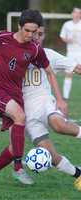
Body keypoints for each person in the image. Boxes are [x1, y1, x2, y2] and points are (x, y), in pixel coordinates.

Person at [0, 9, 66, 189]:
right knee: (20, 118)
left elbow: (49, 72)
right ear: (19, 26)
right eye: (27, 30)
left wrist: (60, 99)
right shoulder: (3, 37)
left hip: (16, 94)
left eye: (34, 32)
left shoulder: (35, 49)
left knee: (14, 145)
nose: (30, 35)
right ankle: (18, 168)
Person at [23, 26, 81, 191]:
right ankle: (79, 174)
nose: (37, 37)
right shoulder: (15, 53)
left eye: (40, 34)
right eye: (34, 33)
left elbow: (76, 67)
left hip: (44, 103)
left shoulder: (48, 54)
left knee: (58, 124)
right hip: (26, 115)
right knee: (51, 156)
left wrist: (61, 100)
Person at [60, 7, 81, 100]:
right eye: (75, 12)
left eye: (78, 13)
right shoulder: (67, 24)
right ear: (72, 14)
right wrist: (68, 40)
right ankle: (65, 96)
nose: (76, 14)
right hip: (71, 52)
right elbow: (62, 36)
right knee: (69, 73)